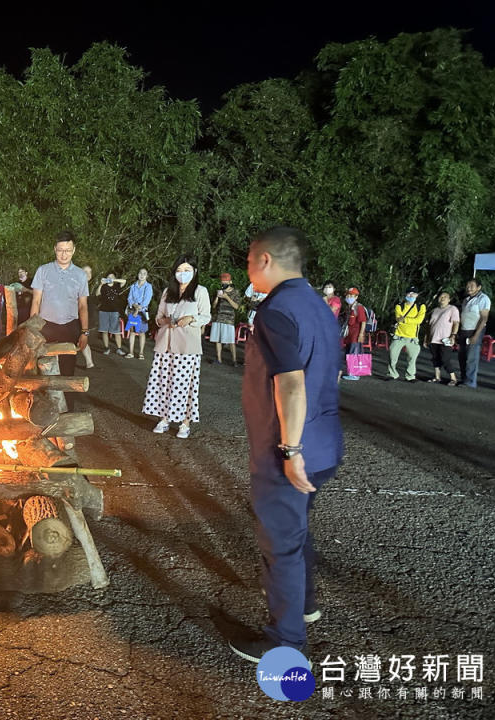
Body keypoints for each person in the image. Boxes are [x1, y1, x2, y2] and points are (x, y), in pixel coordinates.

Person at [232, 226, 343, 662]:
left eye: (248, 262)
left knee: (280, 542)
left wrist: (289, 451)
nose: (248, 270)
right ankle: (305, 606)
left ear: (265, 261)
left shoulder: (275, 311)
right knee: (295, 532)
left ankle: (286, 639)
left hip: (289, 450)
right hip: (324, 442)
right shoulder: (318, 306)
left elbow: (291, 384)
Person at [141, 256, 211, 439]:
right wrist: (164, 321)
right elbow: (158, 317)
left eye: (187, 270)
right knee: (163, 382)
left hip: (187, 346)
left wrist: (191, 319)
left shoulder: (200, 291)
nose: (183, 274)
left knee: (183, 385)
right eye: (180, 270)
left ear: (194, 271)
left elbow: (206, 316)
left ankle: (184, 422)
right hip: (165, 344)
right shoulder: (167, 292)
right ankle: (164, 419)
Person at [30, 230, 90, 382]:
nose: (64, 254)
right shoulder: (43, 271)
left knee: (67, 370)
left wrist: (85, 332)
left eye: (68, 250)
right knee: (43, 368)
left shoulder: (80, 275)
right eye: (61, 250)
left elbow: (83, 305)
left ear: (74, 250)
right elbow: (36, 301)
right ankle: (44, 404)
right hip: (46, 326)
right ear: (55, 249)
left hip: (69, 327)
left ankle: (68, 406)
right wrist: (32, 329)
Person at [457, 278, 491, 389]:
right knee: (461, 356)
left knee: (471, 357)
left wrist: (476, 335)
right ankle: (463, 379)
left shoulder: (483, 298)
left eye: (472, 285)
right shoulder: (466, 300)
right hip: (464, 330)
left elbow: (484, 318)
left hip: (475, 330)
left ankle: (470, 382)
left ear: (479, 287)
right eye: (467, 285)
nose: (469, 287)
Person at [387, 286, 426, 382]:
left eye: (413, 293)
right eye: (409, 293)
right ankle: (392, 374)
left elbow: (419, 320)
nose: (411, 295)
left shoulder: (421, 306)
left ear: (417, 295)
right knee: (392, 355)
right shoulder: (399, 306)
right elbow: (398, 319)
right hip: (399, 336)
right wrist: (410, 320)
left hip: (412, 337)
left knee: (412, 358)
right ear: (405, 294)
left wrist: (405, 320)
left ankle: (410, 376)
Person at [424, 291, 460, 386]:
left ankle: (453, 378)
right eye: (441, 296)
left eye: (445, 296)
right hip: (433, 338)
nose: (442, 298)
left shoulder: (452, 309)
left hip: (445, 339)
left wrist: (453, 335)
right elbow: (429, 325)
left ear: (449, 299)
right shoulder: (434, 310)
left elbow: (456, 323)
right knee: (435, 358)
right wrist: (426, 338)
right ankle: (437, 377)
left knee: (445, 359)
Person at [210, 272, 241, 366]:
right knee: (217, 340)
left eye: (225, 281)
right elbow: (214, 306)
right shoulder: (220, 291)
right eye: (222, 281)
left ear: (230, 282)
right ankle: (219, 359)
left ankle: (234, 360)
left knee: (231, 341)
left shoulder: (235, 292)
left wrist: (226, 297)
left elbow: (236, 306)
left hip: (228, 319)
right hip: (218, 317)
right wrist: (217, 297)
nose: (223, 283)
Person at [123, 269, 153, 359]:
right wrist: (134, 305)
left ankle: (141, 353)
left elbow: (146, 301)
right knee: (132, 331)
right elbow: (130, 298)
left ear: (147, 276)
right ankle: (131, 352)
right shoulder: (133, 285)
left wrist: (138, 308)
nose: (142, 275)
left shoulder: (148, 286)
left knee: (141, 332)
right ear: (138, 274)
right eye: (140, 273)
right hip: (133, 310)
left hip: (142, 311)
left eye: (144, 274)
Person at [339, 288, 367, 381]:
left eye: (351, 296)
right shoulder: (349, 307)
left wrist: (361, 334)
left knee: (354, 353)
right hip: (349, 335)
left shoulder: (358, 307)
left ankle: (354, 374)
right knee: (349, 353)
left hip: (355, 335)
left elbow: (363, 321)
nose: (349, 297)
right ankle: (352, 372)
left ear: (356, 297)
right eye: (348, 295)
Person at [97, 272, 128, 355]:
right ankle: (106, 348)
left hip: (115, 311)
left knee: (116, 331)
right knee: (104, 331)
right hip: (103, 311)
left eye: (112, 277)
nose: (110, 278)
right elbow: (97, 294)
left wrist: (113, 280)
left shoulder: (117, 286)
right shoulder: (104, 286)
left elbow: (124, 281)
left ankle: (119, 348)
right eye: (108, 277)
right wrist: (100, 284)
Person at [79, 265, 97, 369]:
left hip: (87, 319)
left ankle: (90, 363)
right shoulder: (77, 285)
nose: (88, 274)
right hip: (75, 317)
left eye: (90, 272)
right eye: (85, 271)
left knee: (84, 338)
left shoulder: (88, 286)